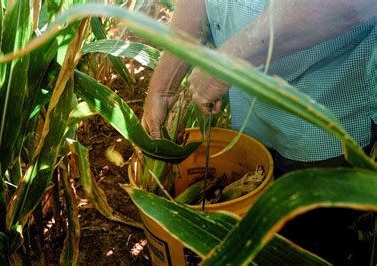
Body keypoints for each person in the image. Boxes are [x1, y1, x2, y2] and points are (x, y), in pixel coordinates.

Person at [141, 1, 376, 265]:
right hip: (251, 111)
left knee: (308, 241)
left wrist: (227, 62)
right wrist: (164, 87)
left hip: (323, 119)